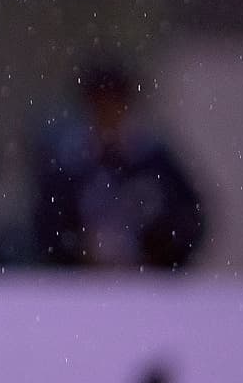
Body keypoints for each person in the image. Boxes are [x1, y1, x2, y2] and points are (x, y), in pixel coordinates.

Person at [34, 58, 206, 269]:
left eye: (114, 106)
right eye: (100, 107)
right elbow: (46, 225)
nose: (108, 115)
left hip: (148, 281)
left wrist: (159, 252)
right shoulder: (68, 165)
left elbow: (191, 218)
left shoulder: (155, 161)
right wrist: (76, 253)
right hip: (81, 285)